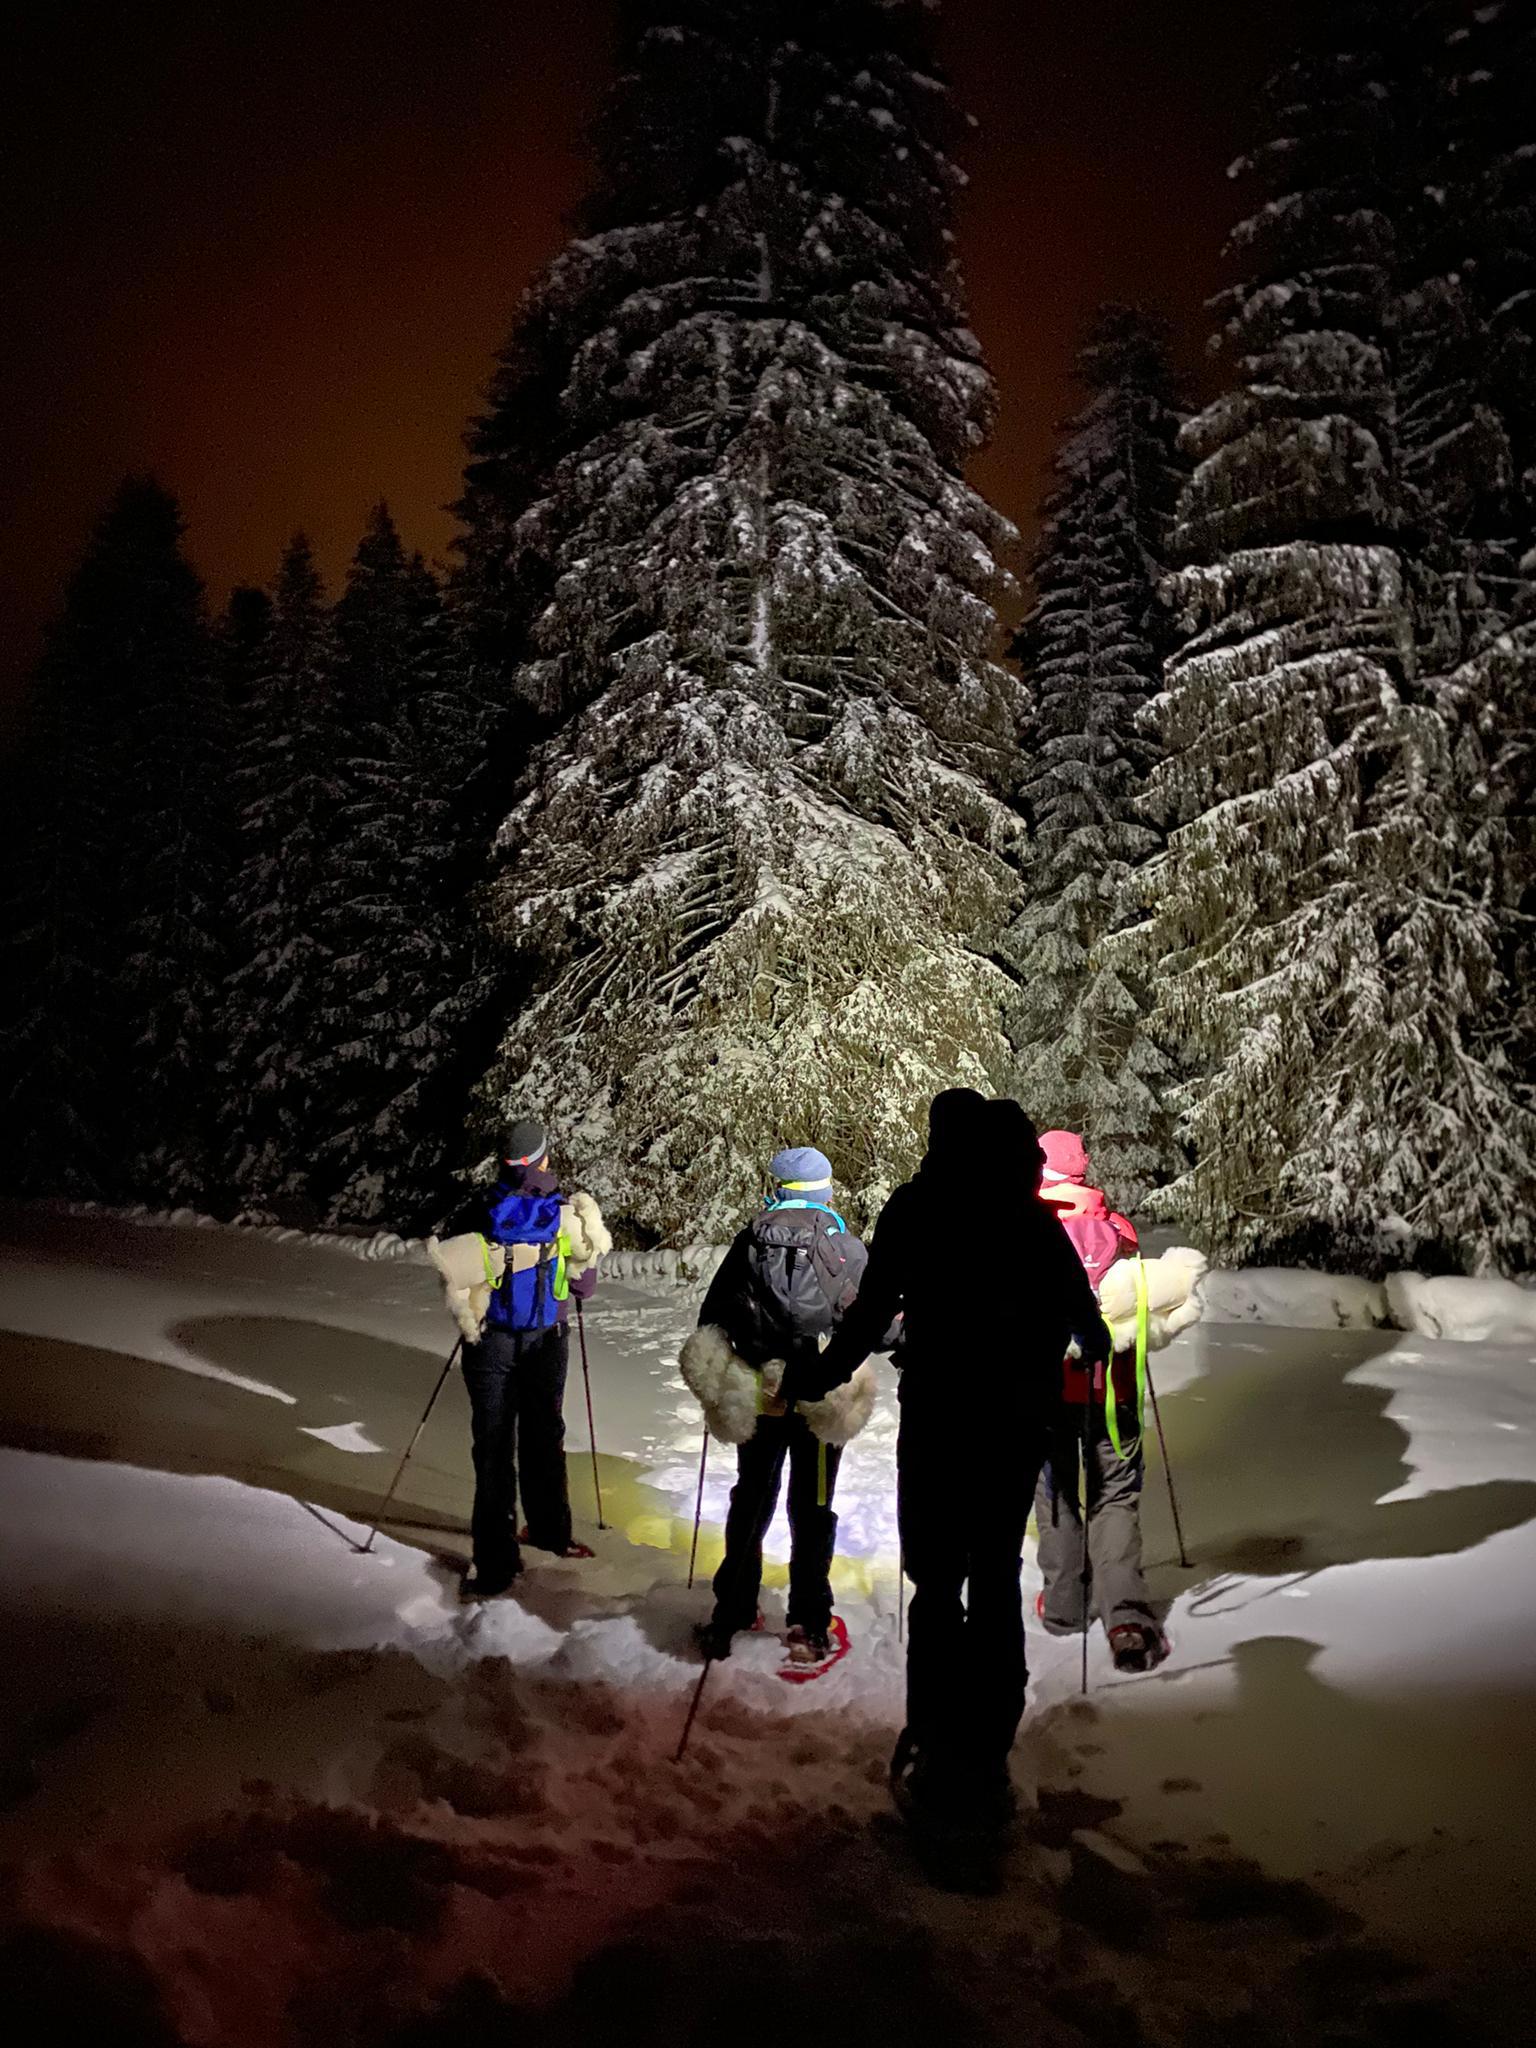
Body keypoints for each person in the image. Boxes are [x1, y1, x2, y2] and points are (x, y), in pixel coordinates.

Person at [803, 1092, 1109, 1838]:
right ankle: (989, 1750)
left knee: (938, 1584)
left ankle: (934, 1743)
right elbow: (1088, 1326)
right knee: (997, 1573)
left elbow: (872, 1311)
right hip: (1016, 1425)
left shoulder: (917, 1206)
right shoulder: (1031, 1217)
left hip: (940, 1420)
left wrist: (821, 1375)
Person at [682, 1146, 880, 1674]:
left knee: (753, 1496)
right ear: (824, 1190)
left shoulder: (750, 1243)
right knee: (812, 1507)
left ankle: (732, 1613)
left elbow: (714, 1316)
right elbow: (877, 1323)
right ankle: (809, 1623)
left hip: (760, 1393)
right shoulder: (845, 1249)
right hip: (822, 1397)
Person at [445, 1118, 611, 1597]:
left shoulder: (479, 1207)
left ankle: (495, 1563)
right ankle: (550, 1532)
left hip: (489, 1341)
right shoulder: (564, 1213)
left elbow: (453, 1271)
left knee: (493, 1444)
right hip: (546, 1340)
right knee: (544, 1434)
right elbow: (584, 1285)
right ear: (543, 1158)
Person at [1032, 1129, 1169, 1673]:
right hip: (1112, 1391)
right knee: (1114, 1497)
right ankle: (1127, 1615)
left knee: (1058, 1493)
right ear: (1083, 1169)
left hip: (1045, 1391)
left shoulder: (1023, 1231)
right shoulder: (1121, 1233)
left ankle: (1064, 1607)